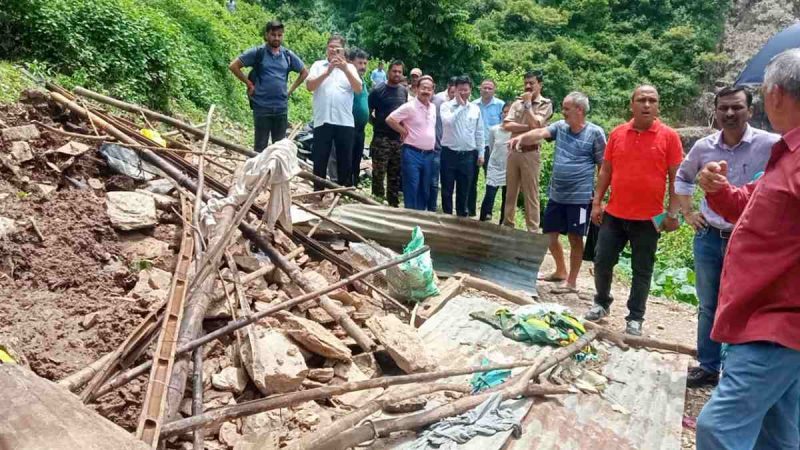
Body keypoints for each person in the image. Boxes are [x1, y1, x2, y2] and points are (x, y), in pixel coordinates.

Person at [694, 48, 800, 450]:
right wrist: (717, 191)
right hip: (763, 322)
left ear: (773, 95)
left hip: (773, 324)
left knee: (719, 429)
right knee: (779, 434)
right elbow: (745, 205)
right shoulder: (785, 157)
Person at [676, 86, 778, 388]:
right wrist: (688, 213)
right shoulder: (704, 147)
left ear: (750, 110)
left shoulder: (772, 144)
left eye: (737, 108)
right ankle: (708, 366)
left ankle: (736, 371)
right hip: (709, 235)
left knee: (745, 303)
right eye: (724, 108)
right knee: (708, 303)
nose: (730, 114)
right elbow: (683, 177)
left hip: (749, 240)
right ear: (715, 111)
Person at [584, 85, 683, 336]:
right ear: (632, 104)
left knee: (643, 269)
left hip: (650, 219)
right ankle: (601, 302)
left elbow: (676, 178)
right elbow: (605, 170)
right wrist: (597, 202)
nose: (647, 104)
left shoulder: (669, 137)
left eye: (652, 100)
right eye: (642, 100)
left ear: (658, 106)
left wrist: (672, 214)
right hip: (614, 214)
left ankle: (635, 317)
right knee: (602, 260)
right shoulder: (617, 134)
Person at [508, 92, 607, 292]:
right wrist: (521, 138)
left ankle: (571, 281)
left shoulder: (595, 133)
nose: (563, 112)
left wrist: (599, 198)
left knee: (575, 237)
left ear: (579, 110)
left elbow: (603, 167)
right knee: (550, 236)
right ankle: (560, 270)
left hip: (580, 198)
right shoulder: (561, 127)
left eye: (566, 109)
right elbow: (541, 133)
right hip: (557, 195)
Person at [229, 20, 307, 152]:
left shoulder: (287, 55)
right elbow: (234, 66)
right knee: (260, 147)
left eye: (279, 35)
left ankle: (275, 173)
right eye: (273, 34)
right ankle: (257, 172)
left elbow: (304, 72)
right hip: (262, 107)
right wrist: (249, 83)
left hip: (281, 108)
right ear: (266, 35)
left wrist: (290, 90)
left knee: (279, 148)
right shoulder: (257, 53)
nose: (276, 38)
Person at [305, 34, 362, 189]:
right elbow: (310, 86)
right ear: (326, 49)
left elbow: (358, 89)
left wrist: (345, 69)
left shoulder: (350, 68)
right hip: (322, 119)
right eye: (331, 47)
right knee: (320, 159)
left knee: (345, 160)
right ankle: (318, 193)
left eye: (337, 48)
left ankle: (343, 194)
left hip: (345, 122)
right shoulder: (318, 65)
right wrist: (328, 71)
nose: (333, 51)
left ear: (343, 50)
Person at [502, 71, 553, 231]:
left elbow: (537, 124)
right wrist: (528, 127)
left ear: (540, 84)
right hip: (513, 152)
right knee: (510, 192)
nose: (528, 86)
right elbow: (507, 125)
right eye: (526, 83)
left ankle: (533, 230)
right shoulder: (517, 102)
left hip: (531, 153)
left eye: (532, 83)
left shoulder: (545, 104)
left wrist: (528, 105)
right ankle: (507, 226)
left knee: (531, 193)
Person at [386, 75, 437, 210]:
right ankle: (410, 218)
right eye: (423, 88)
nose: (426, 91)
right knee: (411, 187)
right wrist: (402, 130)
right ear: (416, 89)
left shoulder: (433, 108)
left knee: (424, 188)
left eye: (429, 89)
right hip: (412, 153)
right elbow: (390, 119)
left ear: (433, 91)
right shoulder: (409, 107)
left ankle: (419, 218)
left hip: (429, 155)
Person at [440, 76, 484, 217]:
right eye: (460, 90)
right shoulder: (446, 106)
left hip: (468, 155)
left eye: (466, 90)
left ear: (470, 90)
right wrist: (460, 107)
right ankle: (446, 216)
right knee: (447, 188)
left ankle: (461, 217)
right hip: (449, 154)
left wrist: (481, 153)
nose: (463, 93)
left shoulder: (475, 109)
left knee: (464, 188)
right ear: (455, 90)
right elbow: (448, 123)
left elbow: (479, 132)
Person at [368, 60, 408, 207]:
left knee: (395, 175)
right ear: (388, 72)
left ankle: (393, 205)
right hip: (381, 139)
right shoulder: (377, 90)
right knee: (378, 174)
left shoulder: (403, 91)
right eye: (394, 71)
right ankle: (376, 203)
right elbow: (368, 113)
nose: (397, 74)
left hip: (397, 140)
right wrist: (378, 125)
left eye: (399, 71)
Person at [471, 79, 505, 217]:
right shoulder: (473, 105)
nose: (487, 90)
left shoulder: (500, 105)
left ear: (494, 90)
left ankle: (487, 212)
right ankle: (470, 209)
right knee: (471, 180)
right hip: (474, 146)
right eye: (484, 87)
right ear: (480, 89)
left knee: (491, 180)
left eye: (490, 88)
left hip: (492, 148)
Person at [479, 103, 511, 223]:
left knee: (507, 198)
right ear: (501, 114)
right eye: (505, 112)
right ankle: (483, 220)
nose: (507, 114)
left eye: (510, 112)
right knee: (489, 195)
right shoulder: (494, 129)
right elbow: (491, 147)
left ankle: (502, 223)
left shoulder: (517, 132)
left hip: (510, 168)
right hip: (495, 166)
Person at [428, 77, 457, 212]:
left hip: (442, 148)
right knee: (428, 180)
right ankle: (425, 208)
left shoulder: (442, 103)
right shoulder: (438, 102)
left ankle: (435, 209)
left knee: (438, 182)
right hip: (426, 147)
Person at [348, 48, 370, 187]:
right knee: (348, 159)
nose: (363, 66)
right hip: (349, 126)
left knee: (356, 158)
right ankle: (346, 186)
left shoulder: (363, 81)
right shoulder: (347, 80)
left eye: (365, 63)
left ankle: (354, 184)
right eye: (360, 63)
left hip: (361, 129)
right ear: (351, 63)